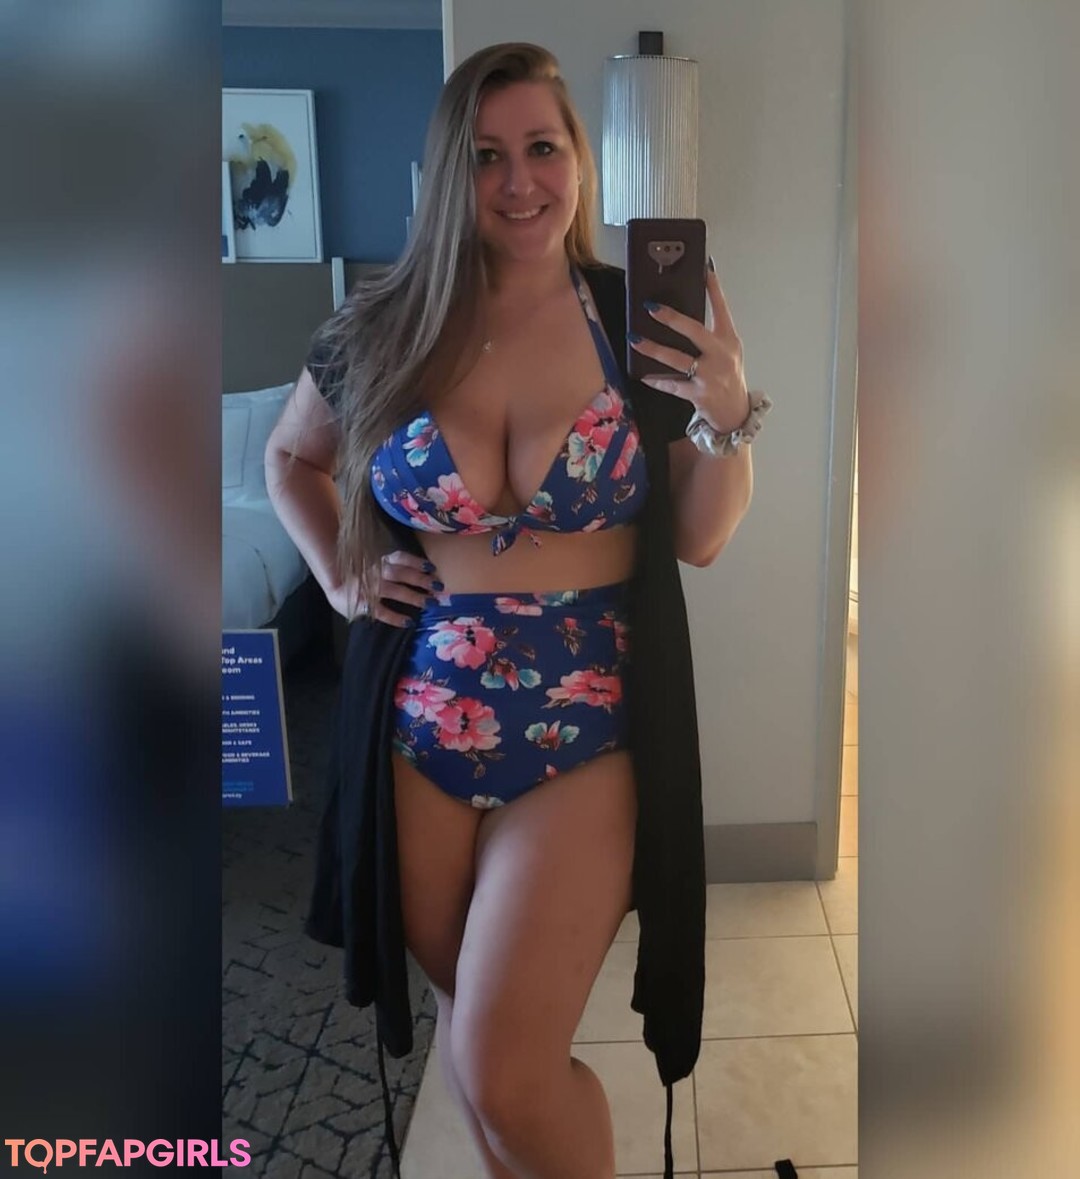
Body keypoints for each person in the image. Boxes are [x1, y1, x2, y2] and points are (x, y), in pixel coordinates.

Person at [266, 42, 766, 1179]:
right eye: (487, 156)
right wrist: (342, 580)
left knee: (504, 1069)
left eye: (542, 147)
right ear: (452, 171)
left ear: (579, 160)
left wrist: (728, 417)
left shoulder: (635, 318)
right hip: (419, 731)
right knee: (480, 1047)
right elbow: (291, 458)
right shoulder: (382, 323)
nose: (519, 181)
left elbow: (700, 535)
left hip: (588, 733)